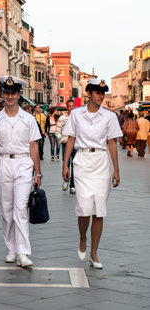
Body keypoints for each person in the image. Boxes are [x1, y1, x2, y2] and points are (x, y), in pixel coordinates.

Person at [62, 79, 122, 269]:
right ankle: (82, 239)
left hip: (101, 162)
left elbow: (112, 142)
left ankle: (94, 253)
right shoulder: (76, 114)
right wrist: (65, 165)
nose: (101, 96)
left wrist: (116, 170)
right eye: (97, 92)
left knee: (99, 209)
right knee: (84, 205)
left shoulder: (109, 116)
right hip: (81, 161)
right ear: (89, 93)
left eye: (103, 93)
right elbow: (70, 138)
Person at [0, 76, 42, 268]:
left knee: (20, 209)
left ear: (19, 95)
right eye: (6, 93)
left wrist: (38, 172)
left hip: (24, 163)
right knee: (7, 209)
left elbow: (33, 145)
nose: (9, 96)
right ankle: (11, 248)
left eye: (13, 93)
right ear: (3, 94)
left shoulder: (28, 119)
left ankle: (23, 251)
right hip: (4, 163)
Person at [55, 99, 77, 194]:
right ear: (67, 107)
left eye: (73, 106)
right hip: (66, 143)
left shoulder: (78, 118)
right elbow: (57, 131)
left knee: (75, 164)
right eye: (70, 106)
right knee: (66, 163)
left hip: (76, 144)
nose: (71, 108)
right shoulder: (62, 118)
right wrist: (61, 139)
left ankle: (73, 185)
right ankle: (66, 181)